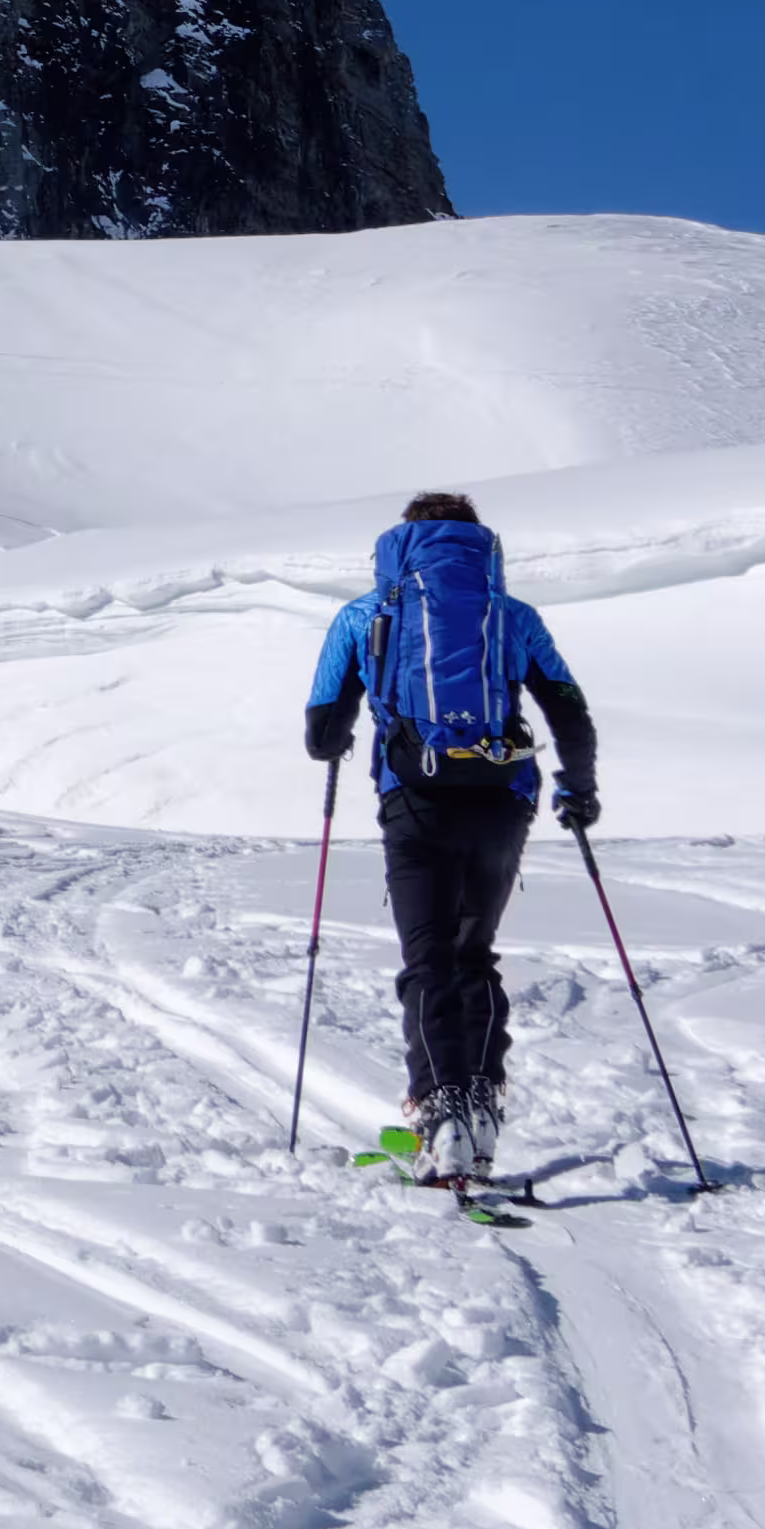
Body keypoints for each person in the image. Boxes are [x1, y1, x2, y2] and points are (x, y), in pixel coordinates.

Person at [302, 490, 599, 1188]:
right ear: (479, 546)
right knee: (474, 953)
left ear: (400, 544)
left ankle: (441, 1112)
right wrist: (579, 790)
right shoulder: (511, 615)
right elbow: (570, 712)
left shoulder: (365, 614)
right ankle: (482, 1103)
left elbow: (321, 733)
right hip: (503, 799)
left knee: (427, 959)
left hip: (414, 800)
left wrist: (345, 735)